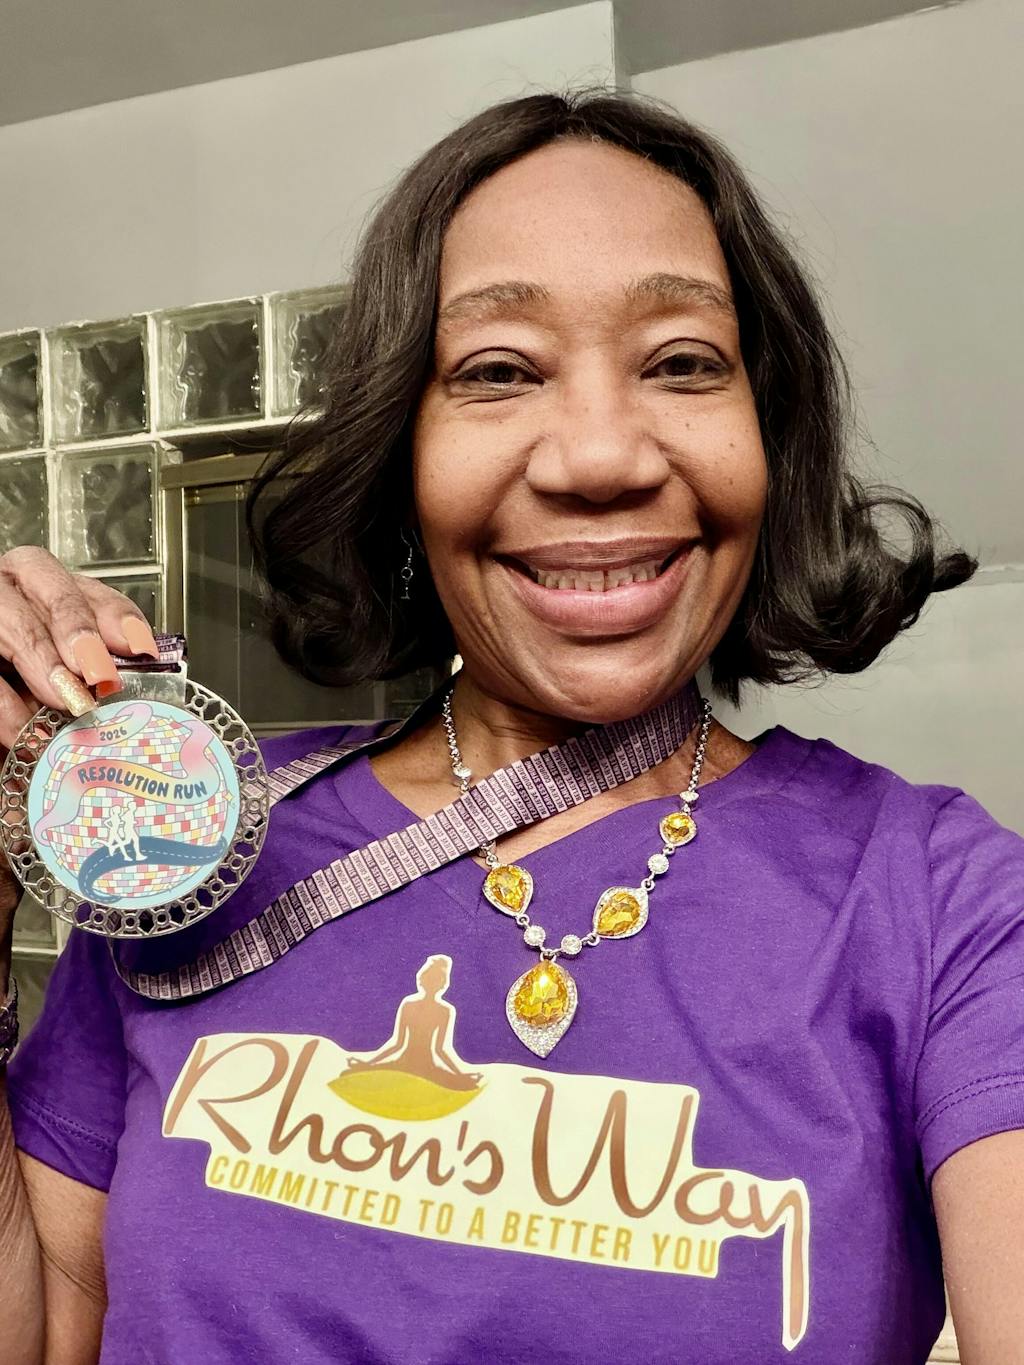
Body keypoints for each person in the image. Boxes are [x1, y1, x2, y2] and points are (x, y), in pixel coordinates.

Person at [0, 87, 1019, 1365]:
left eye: (683, 362)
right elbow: (52, 1327)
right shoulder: (183, 844)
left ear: (768, 434)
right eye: (496, 371)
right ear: (400, 454)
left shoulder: (942, 903)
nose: (598, 457)